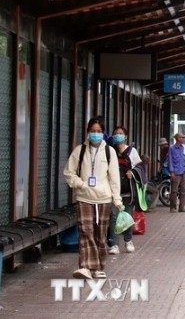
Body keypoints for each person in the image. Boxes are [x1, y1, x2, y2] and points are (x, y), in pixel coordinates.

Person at [63, 117, 123, 280]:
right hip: (84, 198)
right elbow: (68, 172)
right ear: (88, 132)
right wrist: (81, 184)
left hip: (104, 199)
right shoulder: (79, 151)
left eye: (98, 131)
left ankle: (98, 267)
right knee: (85, 231)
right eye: (92, 131)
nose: (95, 134)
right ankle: (85, 267)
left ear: (103, 133)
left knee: (100, 234)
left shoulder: (110, 152)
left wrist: (117, 200)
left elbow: (114, 178)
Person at [107, 126, 142, 254]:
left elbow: (140, 168)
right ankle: (114, 244)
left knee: (127, 217)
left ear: (126, 136)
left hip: (128, 191)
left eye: (121, 133)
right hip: (114, 191)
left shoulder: (132, 152)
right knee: (114, 218)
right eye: (116, 133)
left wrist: (132, 173)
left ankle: (128, 241)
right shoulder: (110, 151)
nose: (118, 135)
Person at [167, 132, 185, 212]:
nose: (183, 139)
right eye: (182, 137)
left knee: (184, 189)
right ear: (178, 138)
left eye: (183, 137)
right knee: (174, 190)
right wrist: (171, 172)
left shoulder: (182, 148)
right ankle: (173, 207)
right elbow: (170, 160)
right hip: (175, 172)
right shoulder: (172, 148)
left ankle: (182, 207)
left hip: (183, 171)